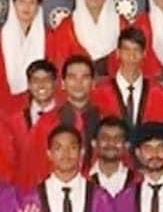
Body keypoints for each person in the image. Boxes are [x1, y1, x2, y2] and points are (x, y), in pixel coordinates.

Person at [23, 124, 115, 212]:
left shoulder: (100, 199)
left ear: (81, 152)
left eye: (72, 147)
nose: (66, 154)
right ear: (49, 154)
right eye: (58, 148)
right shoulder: (32, 200)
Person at [22, 56, 103, 187]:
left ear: (93, 83)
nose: (78, 83)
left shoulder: (104, 119)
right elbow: (33, 168)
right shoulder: (45, 123)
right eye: (72, 77)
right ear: (63, 83)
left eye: (85, 77)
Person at [92, 26, 163, 131]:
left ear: (144, 54)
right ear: (118, 53)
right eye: (126, 50)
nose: (131, 56)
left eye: (136, 50)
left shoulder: (159, 92)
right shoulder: (99, 91)